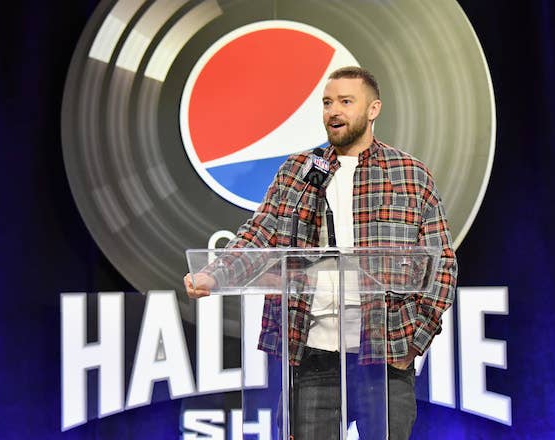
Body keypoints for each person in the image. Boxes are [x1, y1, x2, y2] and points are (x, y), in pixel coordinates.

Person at [185, 66, 457, 439]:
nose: (334, 111)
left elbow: (441, 265)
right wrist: (213, 274)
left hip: (384, 355)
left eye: (346, 101)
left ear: (373, 109)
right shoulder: (299, 171)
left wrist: (413, 343)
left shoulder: (409, 174)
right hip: (312, 357)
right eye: (328, 102)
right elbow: (259, 234)